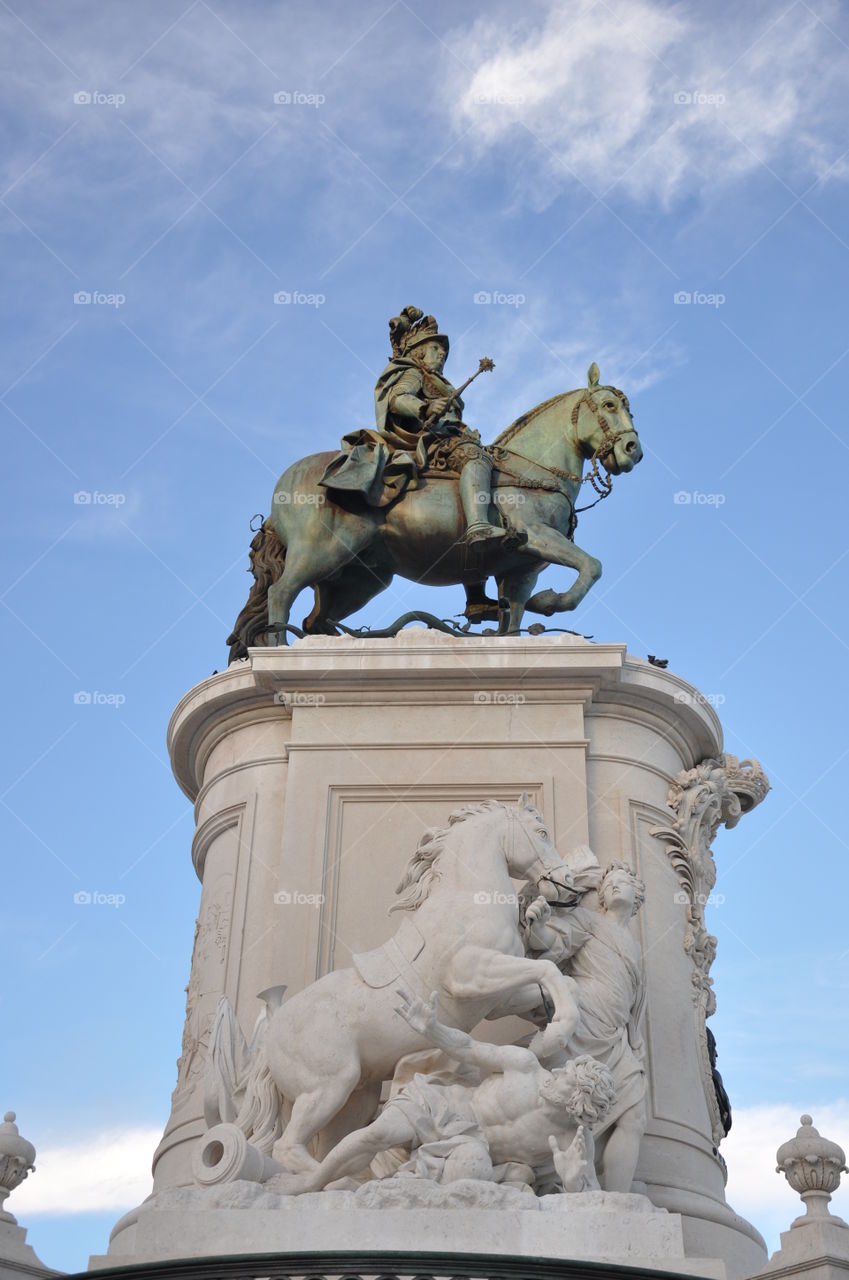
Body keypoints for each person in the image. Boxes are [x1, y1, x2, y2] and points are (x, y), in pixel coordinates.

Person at [275, 988, 615, 1194]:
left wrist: (572, 1182)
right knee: (375, 1136)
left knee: (517, 1174)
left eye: (566, 1079)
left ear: (577, 1103)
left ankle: (367, 1187)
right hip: (446, 1105)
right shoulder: (525, 1066)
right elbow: (468, 1048)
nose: (557, 1072)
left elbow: (590, 1194)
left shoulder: (572, 1140)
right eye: (564, 1069)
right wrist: (432, 1029)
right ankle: (312, 1181)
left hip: (472, 1148)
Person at [319, 306, 506, 544]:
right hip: (435, 440)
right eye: (435, 348)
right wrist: (425, 408)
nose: (442, 354)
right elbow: (397, 398)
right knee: (475, 458)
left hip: (453, 436)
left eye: (444, 352)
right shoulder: (416, 374)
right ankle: (478, 526)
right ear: (418, 353)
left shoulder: (438, 381)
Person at [523, 862, 648, 1193]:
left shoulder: (635, 948)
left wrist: (634, 1041)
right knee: (559, 1111)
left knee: (634, 1115)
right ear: (602, 898)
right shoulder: (590, 922)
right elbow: (553, 941)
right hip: (581, 1026)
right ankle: (550, 1172)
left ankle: (618, 1198)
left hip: (616, 1037)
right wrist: (537, 925)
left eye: (623, 882)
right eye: (609, 885)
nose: (614, 887)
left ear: (637, 896)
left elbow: (636, 1003)